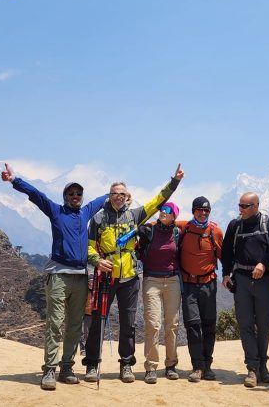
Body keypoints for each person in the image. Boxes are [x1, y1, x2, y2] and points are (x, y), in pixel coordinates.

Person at [0, 162, 108, 391]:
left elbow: (104, 199)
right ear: (65, 196)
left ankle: (66, 367)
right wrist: (14, 180)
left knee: (75, 325)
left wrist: (118, 193)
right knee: (55, 323)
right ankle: (49, 369)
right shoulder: (56, 211)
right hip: (58, 275)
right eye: (71, 193)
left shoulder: (86, 212)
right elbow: (36, 195)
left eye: (78, 193)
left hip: (80, 276)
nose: (76, 196)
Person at [82, 164, 184, 384]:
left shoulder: (135, 215)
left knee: (128, 323)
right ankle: (91, 364)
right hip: (105, 277)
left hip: (129, 277)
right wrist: (96, 260)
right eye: (114, 194)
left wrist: (174, 182)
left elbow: (158, 201)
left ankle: (126, 364)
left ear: (127, 196)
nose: (118, 197)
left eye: (121, 194)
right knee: (98, 321)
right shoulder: (98, 219)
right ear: (108, 196)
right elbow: (89, 246)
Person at [221, 192, 269, 388]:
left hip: (262, 280)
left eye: (245, 206)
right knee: (245, 325)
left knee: (264, 324)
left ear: (255, 206)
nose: (241, 209)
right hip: (242, 280)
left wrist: (263, 264)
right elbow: (226, 251)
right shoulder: (234, 226)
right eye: (240, 205)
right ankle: (252, 368)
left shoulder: (268, 224)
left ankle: (263, 365)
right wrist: (226, 274)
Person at [175, 196, 224, 383]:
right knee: (193, 325)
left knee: (209, 325)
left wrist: (228, 276)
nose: (203, 213)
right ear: (193, 210)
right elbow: (164, 220)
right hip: (188, 284)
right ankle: (197, 367)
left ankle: (207, 366)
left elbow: (224, 257)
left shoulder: (215, 231)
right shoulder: (184, 227)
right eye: (199, 210)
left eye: (206, 210)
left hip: (208, 284)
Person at [136, 202, 183, 384]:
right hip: (152, 280)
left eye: (168, 210)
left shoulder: (177, 233)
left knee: (172, 324)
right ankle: (151, 367)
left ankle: (171, 365)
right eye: (162, 209)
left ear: (174, 216)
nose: (164, 212)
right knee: (153, 324)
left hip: (172, 281)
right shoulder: (149, 231)